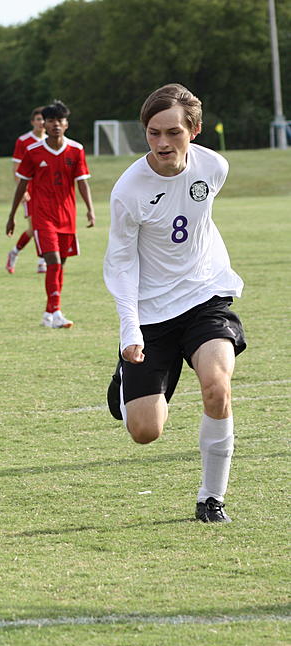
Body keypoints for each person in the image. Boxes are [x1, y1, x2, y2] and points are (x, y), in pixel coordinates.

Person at [104, 83, 245, 523]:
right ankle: (126, 379)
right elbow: (121, 266)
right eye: (152, 133)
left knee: (217, 386)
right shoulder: (129, 191)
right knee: (145, 431)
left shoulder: (214, 168)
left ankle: (211, 498)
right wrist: (130, 330)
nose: (163, 143)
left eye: (173, 133)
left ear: (195, 130)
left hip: (206, 298)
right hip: (151, 312)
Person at [6, 100, 95, 328]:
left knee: (61, 264)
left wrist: (90, 209)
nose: (56, 124)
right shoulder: (33, 151)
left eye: (60, 120)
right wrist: (12, 215)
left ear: (66, 124)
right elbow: (21, 184)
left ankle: (48, 314)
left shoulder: (76, 150)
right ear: (44, 124)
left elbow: (82, 182)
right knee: (52, 261)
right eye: (52, 120)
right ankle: (56, 312)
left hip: (66, 216)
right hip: (42, 214)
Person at [5, 106, 48, 274]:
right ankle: (41, 261)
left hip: (45, 192)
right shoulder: (23, 141)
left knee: (37, 228)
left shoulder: (50, 140)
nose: (41, 122)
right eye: (38, 119)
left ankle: (14, 253)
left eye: (44, 119)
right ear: (32, 122)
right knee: (36, 227)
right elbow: (17, 169)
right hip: (29, 191)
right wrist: (22, 190)